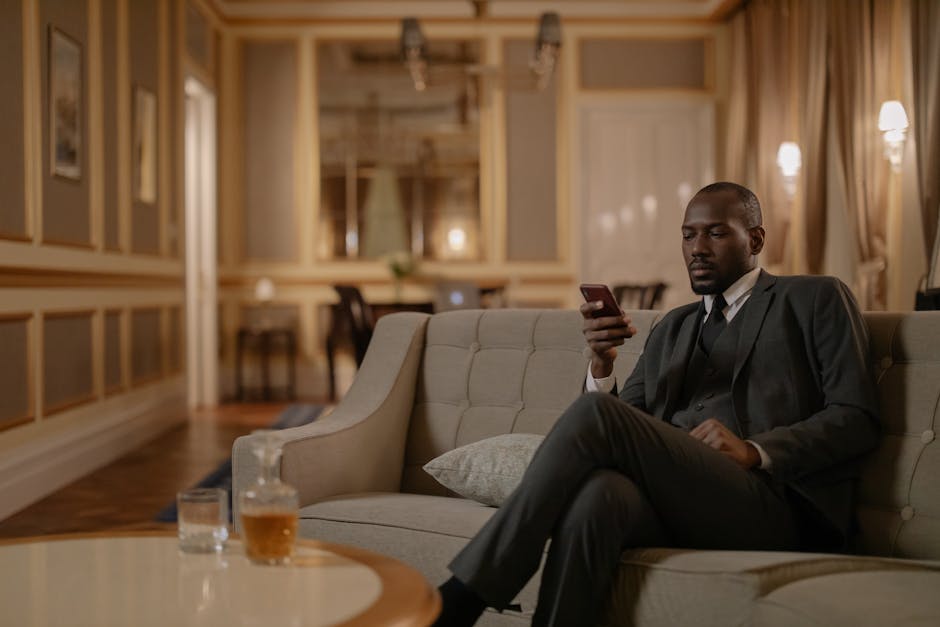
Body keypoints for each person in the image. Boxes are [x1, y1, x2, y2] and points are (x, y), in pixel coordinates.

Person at [432, 182, 881, 627]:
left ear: (756, 240)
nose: (697, 248)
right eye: (688, 235)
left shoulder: (814, 298)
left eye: (716, 233)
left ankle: (465, 594)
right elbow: (624, 423)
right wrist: (601, 362)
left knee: (596, 415)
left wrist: (754, 450)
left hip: (773, 505)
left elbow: (856, 417)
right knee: (600, 495)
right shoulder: (673, 327)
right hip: (680, 500)